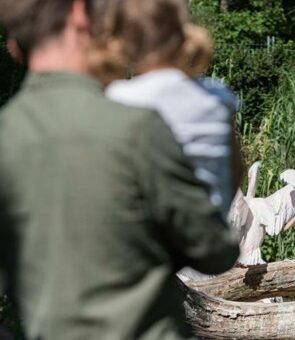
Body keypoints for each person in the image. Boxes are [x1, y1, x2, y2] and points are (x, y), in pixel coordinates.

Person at [0, 0, 240, 338]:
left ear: (13, 44)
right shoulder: (135, 129)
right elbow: (216, 252)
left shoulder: (8, 134)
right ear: (80, 14)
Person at [89, 0, 243, 220]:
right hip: (208, 236)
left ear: (122, 43)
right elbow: (235, 170)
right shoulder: (218, 97)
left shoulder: (120, 98)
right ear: (183, 33)